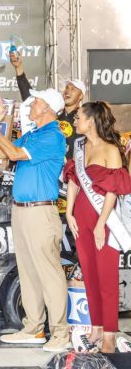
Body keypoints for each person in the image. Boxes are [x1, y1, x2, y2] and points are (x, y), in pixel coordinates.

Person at [0, 90, 69, 352]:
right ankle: (33, 328)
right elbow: (3, 156)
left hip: (40, 211)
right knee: (28, 272)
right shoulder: (34, 134)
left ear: (48, 108)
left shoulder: (53, 135)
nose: (31, 104)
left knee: (49, 274)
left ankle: (61, 333)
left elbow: (15, 154)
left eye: (37, 101)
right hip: (21, 210)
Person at [64, 102, 131, 353]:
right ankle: (96, 329)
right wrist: (69, 212)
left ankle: (110, 335)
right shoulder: (78, 146)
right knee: (90, 274)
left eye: (78, 117)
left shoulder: (111, 150)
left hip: (104, 219)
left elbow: (112, 191)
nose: (74, 121)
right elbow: (72, 180)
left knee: (107, 278)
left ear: (91, 121)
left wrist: (102, 224)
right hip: (81, 217)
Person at [10, 50, 85, 159]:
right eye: (67, 88)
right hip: (48, 167)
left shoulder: (84, 117)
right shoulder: (53, 113)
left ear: (81, 96)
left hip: (71, 171)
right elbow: (31, 99)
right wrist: (19, 68)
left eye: (73, 89)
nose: (68, 91)